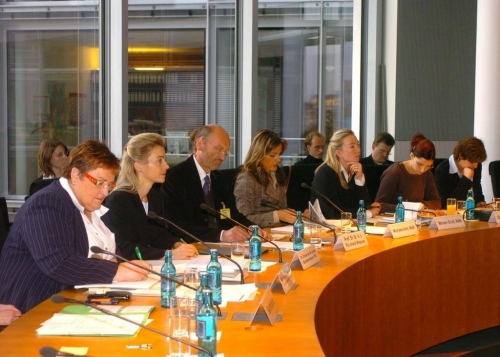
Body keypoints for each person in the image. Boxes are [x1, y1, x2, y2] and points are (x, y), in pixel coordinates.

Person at [0, 140, 148, 313]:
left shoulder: (91, 207)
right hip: (29, 310)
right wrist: (116, 271)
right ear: (76, 175)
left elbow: (105, 253)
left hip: (72, 302)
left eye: (110, 185)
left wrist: (125, 265)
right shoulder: (47, 203)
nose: (105, 192)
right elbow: (58, 263)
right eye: (100, 183)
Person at [163, 124, 267, 242]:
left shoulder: (220, 179)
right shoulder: (174, 177)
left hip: (223, 248)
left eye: (226, 152)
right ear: (200, 144)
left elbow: (232, 214)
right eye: (218, 149)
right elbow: (175, 224)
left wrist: (252, 228)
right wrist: (221, 235)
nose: (223, 157)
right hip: (192, 248)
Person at [104, 133, 198, 260]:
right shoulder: (118, 201)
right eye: (159, 160)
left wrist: (177, 244)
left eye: (164, 160)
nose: (166, 166)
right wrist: (168, 254)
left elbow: (156, 234)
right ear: (139, 165)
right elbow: (122, 247)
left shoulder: (154, 196)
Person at [311, 129, 380, 219]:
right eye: (352, 146)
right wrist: (367, 214)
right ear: (339, 152)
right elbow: (333, 213)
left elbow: (364, 206)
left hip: (350, 227)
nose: (358, 150)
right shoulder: (325, 174)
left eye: (358, 145)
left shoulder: (355, 171)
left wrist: (359, 178)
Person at [234, 129, 296, 227]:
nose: (279, 159)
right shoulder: (247, 179)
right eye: (273, 155)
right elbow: (243, 218)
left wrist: (295, 215)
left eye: (279, 154)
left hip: (278, 233)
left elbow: (283, 209)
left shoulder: (277, 175)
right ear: (259, 155)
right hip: (258, 236)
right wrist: (277, 216)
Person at [375, 133, 441, 211]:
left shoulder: (427, 173)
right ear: (412, 156)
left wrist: (423, 205)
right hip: (396, 218)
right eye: (419, 164)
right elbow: (379, 204)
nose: (423, 170)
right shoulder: (394, 173)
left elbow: (436, 202)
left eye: (428, 166)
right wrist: (408, 207)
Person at [434, 137, 487, 208]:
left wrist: (480, 201)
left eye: (477, 162)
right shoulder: (442, 171)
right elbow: (448, 205)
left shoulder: (475, 165)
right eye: (472, 162)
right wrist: (465, 179)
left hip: (472, 214)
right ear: (461, 156)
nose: (475, 166)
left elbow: (477, 186)